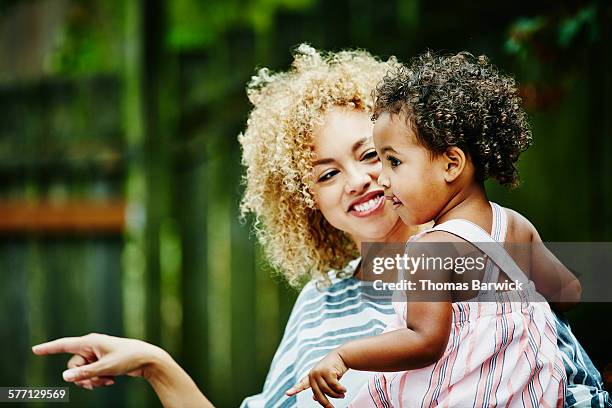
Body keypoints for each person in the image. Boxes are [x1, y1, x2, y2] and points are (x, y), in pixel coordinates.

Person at [31, 46, 610, 408]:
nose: (359, 180)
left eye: (375, 155)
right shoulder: (322, 305)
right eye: (327, 173)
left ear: (425, 151)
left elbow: (567, 362)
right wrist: (154, 361)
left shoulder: (489, 258)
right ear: (306, 202)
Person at [287, 51, 609, 408]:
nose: (382, 178)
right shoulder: (514, 225)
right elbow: (568, 292)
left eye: (392, 161)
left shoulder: (430, 250)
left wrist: (345, 356)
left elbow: (424, 342)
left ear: (451, 164)